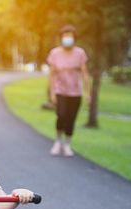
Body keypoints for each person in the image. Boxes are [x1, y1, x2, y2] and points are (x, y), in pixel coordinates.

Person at [47, 24, 91, 157]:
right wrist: (52, 92)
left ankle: (67, 144)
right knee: (61, 115)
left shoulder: (80, 53)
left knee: (71, 119)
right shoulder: (55, 53)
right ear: (61, 38)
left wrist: (88, 93)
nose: (68, 39)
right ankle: (58, 142)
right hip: (60, 90)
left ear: (74, 38)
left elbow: (85, 74)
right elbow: (52, 74)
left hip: (75, 92)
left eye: (70, 37)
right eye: (65, 36)